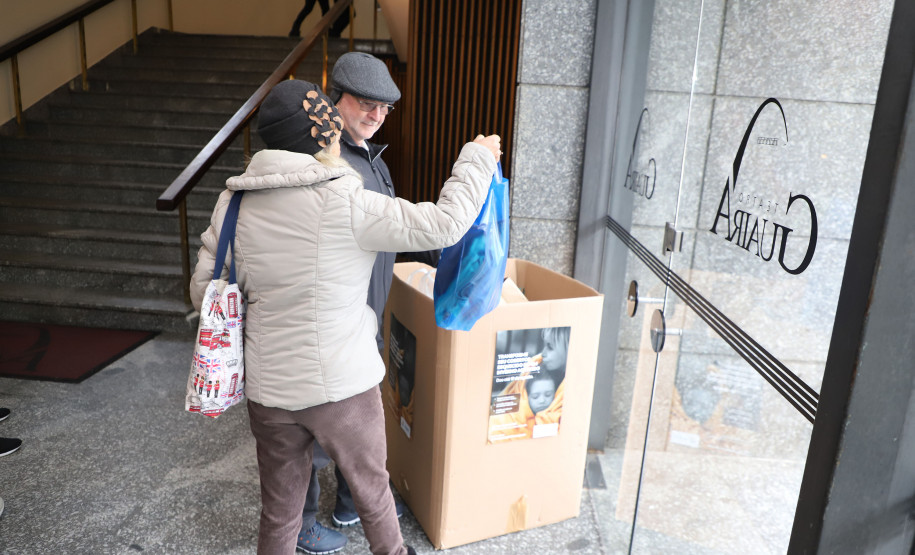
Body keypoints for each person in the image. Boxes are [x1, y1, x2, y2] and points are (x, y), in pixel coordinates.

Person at [190, 79, 500, 555]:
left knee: (279, 512)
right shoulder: (345, 199)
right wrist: (477, 158)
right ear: (323, 138)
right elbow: (445, 223)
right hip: (343, 388)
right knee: (373, 494)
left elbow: (202, 291)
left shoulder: (233, 203)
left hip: (269, 392)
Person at [295, 51, 418, 554]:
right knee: (316, 433)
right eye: (365, 104)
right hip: (331, 323)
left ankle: (348, 503)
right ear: (335, 101)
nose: (375, 115)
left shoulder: (371, 156)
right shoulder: (324, 165)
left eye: (384, 108)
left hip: (366, 313)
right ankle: (303, 524)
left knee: (359, 419)